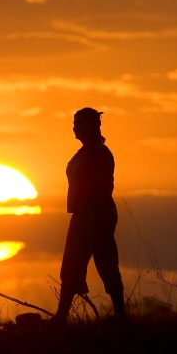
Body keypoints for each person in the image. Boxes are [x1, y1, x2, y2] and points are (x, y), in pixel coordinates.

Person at [50, 107, 127, 325]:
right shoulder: (83, 153)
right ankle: (61, 316)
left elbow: (104, 187)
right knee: (71, 264)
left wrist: (97, 217)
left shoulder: (100, 153)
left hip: (97, 215)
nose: (75, 128)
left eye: (80, 123)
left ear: (94, 126)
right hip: (81, 215)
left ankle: (121, 315)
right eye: (74, 123)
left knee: (106, 264)